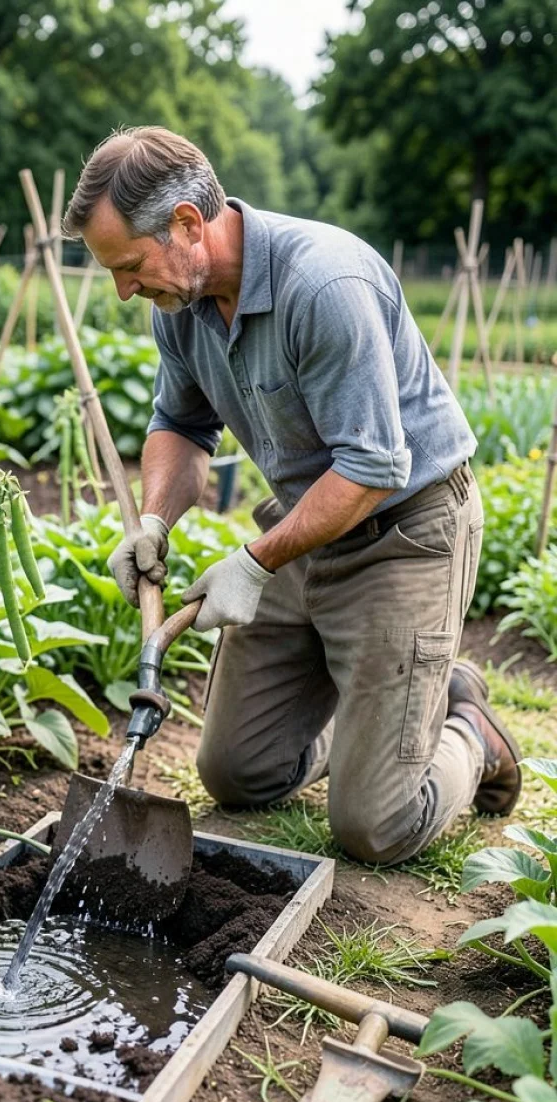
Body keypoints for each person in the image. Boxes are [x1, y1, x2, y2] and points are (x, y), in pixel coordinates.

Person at [63, 126, 520, 865]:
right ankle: (388, 713)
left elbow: (373, 468)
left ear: (186, 225)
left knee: (375, 825)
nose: (123, 290)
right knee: (238, 774)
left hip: (404, 535)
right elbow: (180, 424)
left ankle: (466, 728)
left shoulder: (325, 286)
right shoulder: (180, 308)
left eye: (130, 266)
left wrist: (253, 563)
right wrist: (153, 519)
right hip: (311, 526)